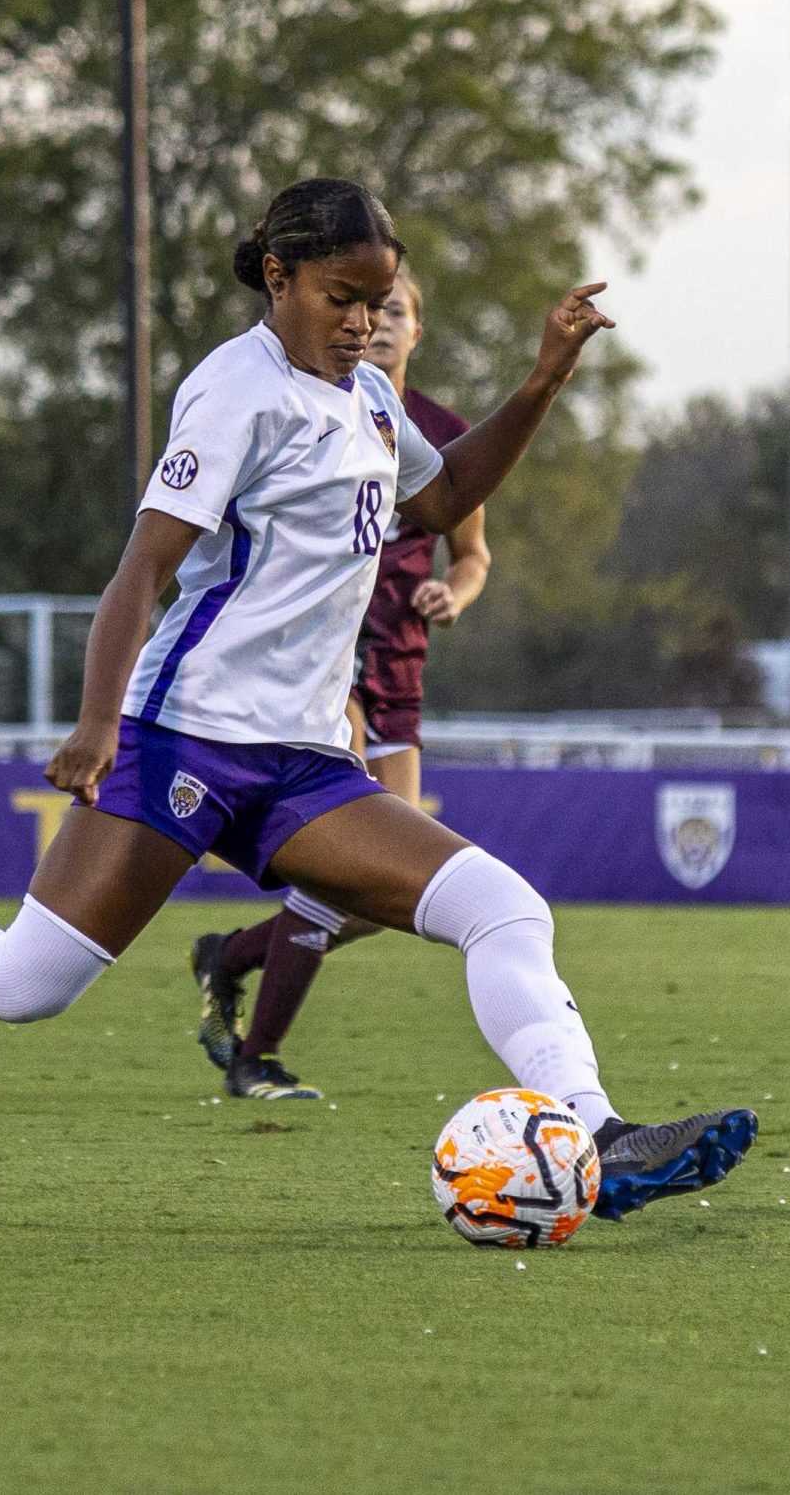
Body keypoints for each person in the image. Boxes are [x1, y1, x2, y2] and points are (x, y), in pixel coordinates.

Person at [0, 177, 755, 1223]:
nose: (364, 324)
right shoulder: (235, 392)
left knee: (505, 908)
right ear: (276, 277)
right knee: (22, 982)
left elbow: (450, 495)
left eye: (377, 304)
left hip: (302, 767)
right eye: (341, 299)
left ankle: (593, 1135)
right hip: (181, 741)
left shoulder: (369, 397)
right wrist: (98, 725)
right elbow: (142, 568)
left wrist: (545, 378)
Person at [186, 260, 492, 1100]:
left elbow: (473, 555)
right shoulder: (306, 400)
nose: (382, 320)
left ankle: (237, 953)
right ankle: (258, 1055)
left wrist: (453, 595)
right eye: (370, 305)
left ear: (419, 330)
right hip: (324, 667)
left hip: (400, 664)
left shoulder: (438, 430)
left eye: (398, 309)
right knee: (343, 868)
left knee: (387, 887)